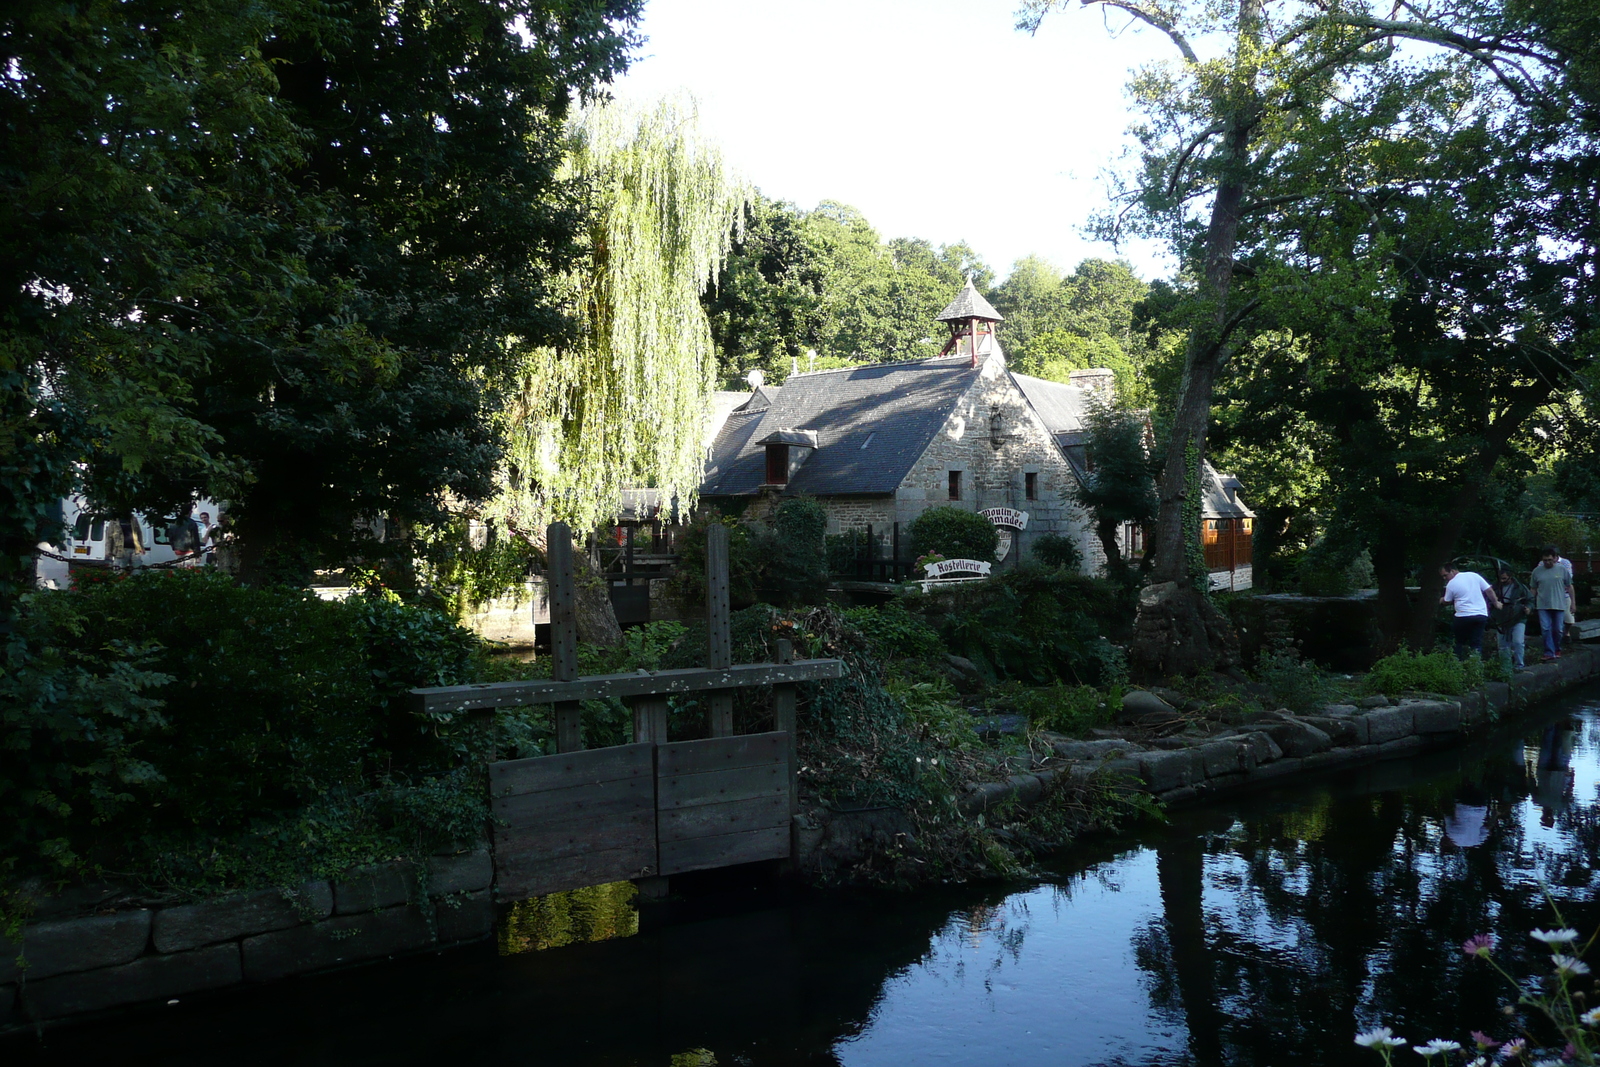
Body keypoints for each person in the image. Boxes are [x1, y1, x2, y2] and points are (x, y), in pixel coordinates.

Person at [1441, 561, 1500, 660]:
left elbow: (1447, 601)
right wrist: (1496, 602)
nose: (1444, 578)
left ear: (1452, 571)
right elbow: (1489, 590)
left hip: (1463, 616)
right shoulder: (1474, 576)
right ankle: (1475, 665)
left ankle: (1458, 664)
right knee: (1476, 642)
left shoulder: (1451, 584)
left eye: (1445, 575)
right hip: (1480, 615)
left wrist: (1441, 600)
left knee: (1458, 641)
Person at [1530, 545, 1574, 662]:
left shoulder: (1562, 569)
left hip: (1559, 604)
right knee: (1545, 628)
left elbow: (1569, 586)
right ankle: (1549, 652)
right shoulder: (1537, 571)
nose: (1547, 562)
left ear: (1554, 558)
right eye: (1545, 560)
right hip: (1542, 604)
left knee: (1558, 629)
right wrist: (1530, 602)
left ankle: (1557, 648)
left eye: (1550, 559)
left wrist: (1573, 603)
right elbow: (1533, 588)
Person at [1492, 566, 1531, 671]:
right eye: (1500, 578)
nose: (1502, 581)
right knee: (1502, 645)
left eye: (1504, 578)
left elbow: (1530, 599)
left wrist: (1529, 608)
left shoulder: (1520, 587)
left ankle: (1519, 665)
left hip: (1518, 617)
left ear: (1510, 577)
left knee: (1518, 641)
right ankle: (1506, 667)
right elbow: (1488, 600)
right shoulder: (1495, 588)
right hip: (1501, 618)